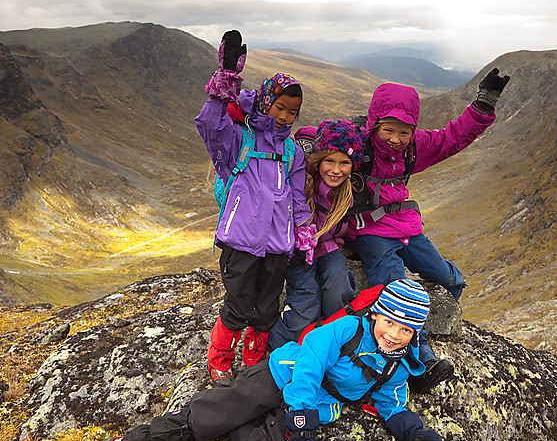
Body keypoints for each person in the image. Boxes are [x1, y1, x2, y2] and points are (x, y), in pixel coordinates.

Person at [97, 279, 448, 441]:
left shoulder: (399, 365)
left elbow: (391, 403)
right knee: (203, 421)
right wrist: (303, 425)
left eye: (406, 329)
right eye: (389, 322)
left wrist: (413, 434)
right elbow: (308, 368)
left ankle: (242, 420)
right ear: (375, 316)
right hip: (281, 376)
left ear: (415, 333)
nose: (394, 334)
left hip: (317, 405)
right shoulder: (344, 330)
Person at [195, 30, 312, 386]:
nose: (286, 117)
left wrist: (303, 235)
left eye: (293, 112)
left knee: (265, 310)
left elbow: (297, 198)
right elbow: (209, 125)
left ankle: (253, 361)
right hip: (240, 243)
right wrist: (226, 78)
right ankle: (220, 361)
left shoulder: (293, 152)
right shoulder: (238, 139)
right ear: (264, 103)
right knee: (237, 306)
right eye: (280, 108)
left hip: (277, 247)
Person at [347, 69, 511, 300]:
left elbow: (451, 138)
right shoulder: (357, 142)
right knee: (394, 287)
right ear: (374, 124)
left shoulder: (414, 147)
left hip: (407, 228)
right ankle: (404, 332)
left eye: (404, 132)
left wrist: (483, 106)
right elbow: (319, 135)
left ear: (413, 131)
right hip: (369, 231)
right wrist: (305, 141)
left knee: (447, 277)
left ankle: (445, 313)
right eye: (388, 130)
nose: (395, 139)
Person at [267, 119, 364, 350]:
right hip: (300, 252)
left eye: (344, 163)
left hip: (329, 247)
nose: (336, 169)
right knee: (307, 297)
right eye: (329, 161)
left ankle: (336, 337)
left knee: (339, 282)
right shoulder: (303, 183)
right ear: (318, 161)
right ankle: (276, 348)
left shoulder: (349, 190)